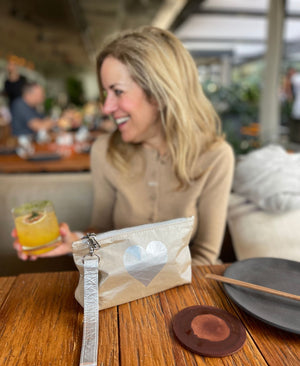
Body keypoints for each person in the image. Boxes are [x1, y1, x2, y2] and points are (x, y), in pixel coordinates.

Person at [13, 26, 234, 266]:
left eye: (117, 91)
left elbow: (205, 256)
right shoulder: (104, 150)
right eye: (106, 93)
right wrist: (74, 242)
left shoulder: (215, 156)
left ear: (160, 94)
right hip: (121, 290)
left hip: (185, 293)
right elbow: (101, 235)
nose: (107, 107)